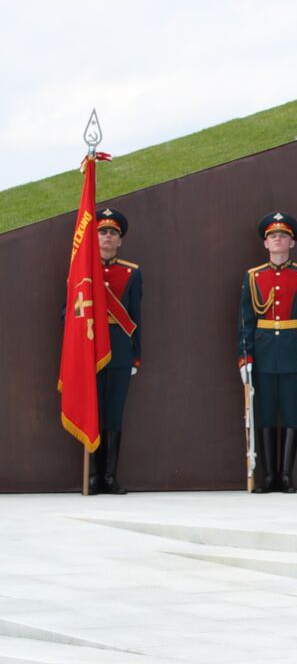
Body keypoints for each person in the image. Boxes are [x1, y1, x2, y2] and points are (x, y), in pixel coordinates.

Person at [239, 211, 297, 493]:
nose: (277, 240)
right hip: (262, 354)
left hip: (293, 354)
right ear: (265, 243)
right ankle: (268, 475)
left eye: (283, 236)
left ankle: (285, 475)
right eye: (273, 236)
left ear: (291, 243)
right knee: (264, 415)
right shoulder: (253, 277)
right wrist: (244, 357)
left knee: (290, 414)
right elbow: (246, 321)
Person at [91, 208, 142, 495]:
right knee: (92, 413)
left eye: (112, 233)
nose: (107, 237)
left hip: (120, 350)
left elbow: (136, 317)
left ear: (119, 240)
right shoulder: (83, 271)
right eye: (102, 231)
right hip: (91, 348)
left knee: (113, 415)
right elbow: (68, 312)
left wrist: (136, 354)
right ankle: (93, 476)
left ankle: (109, 476)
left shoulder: (131, 272)